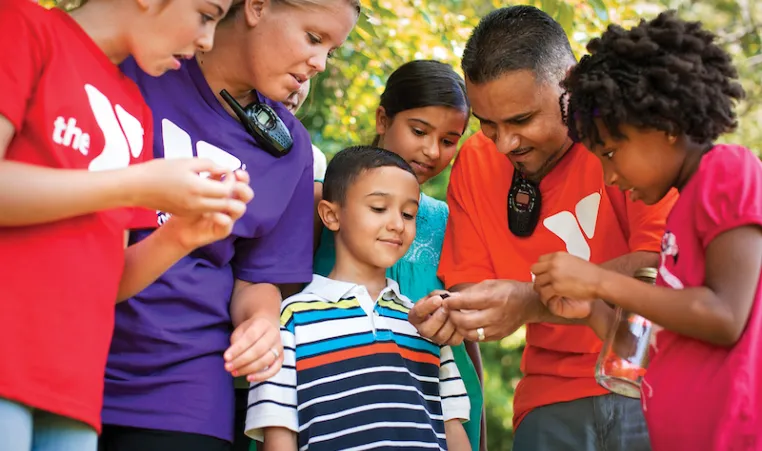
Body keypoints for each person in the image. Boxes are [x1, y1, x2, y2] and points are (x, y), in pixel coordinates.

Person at [407, 6, 678, 450]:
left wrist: (532, 301)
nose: (505, 143)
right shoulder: (477, 159)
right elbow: (474, 290)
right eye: (488, 125)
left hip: (656, 377)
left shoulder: (628, 132)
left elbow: (660, 266)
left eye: (520, 121)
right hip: (550, 397)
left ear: (569, 83)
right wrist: (448, 313)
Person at [98, 1, 359, 451]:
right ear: (256, 7)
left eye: (331, 51)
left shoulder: (291, 148)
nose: (318, 62)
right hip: (68, 343)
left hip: (181, 391)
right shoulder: (142, 60)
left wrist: (260, 322)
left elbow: (257, 278)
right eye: (314, 38)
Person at [0, 1, 252, 451]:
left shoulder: (133, 108)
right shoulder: (21, 25)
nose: (208, 40)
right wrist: (135, 184)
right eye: (206, 14)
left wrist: (182, 235)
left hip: (73, 389)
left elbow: (109, 279)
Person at [531, 11, 762, 450]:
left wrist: (599, 279)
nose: (610, 176)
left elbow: (724, 317)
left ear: (667, 126)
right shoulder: (679, 211)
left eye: (612, 152)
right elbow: (660, 341)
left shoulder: (728, 171)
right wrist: (591, 310)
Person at [246, 146, 471, 450]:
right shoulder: (290, 320)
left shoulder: (426, 325)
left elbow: (452, 427)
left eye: (408, 214)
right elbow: (278, 435)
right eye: (379, 208)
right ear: (331, 215)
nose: (397, 224)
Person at [312, 60, 484, 450]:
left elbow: (465, 336)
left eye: (448, 140)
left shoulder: (447, 219)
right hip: (338, 389)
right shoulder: (328, 200)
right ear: (383, 119)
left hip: (439, 406)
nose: (431, 150)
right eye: (419, 131)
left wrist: (480, 424)